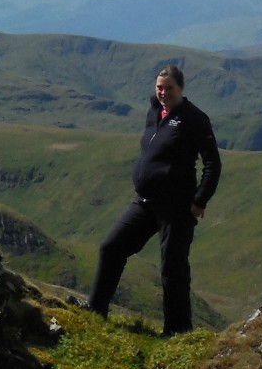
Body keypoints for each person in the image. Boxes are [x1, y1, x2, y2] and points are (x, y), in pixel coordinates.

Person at [86, 64, 221, 335]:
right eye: (159, 87)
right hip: (145, 201)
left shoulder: (194, 118)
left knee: (173, 268)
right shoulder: (154, 113)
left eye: (169, 88)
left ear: (180, 88)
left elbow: (212, 163)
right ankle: (95, 311)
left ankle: (177, 331)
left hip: (176, 206)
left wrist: (200, 200)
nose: (163, 92)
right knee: (111, 247)